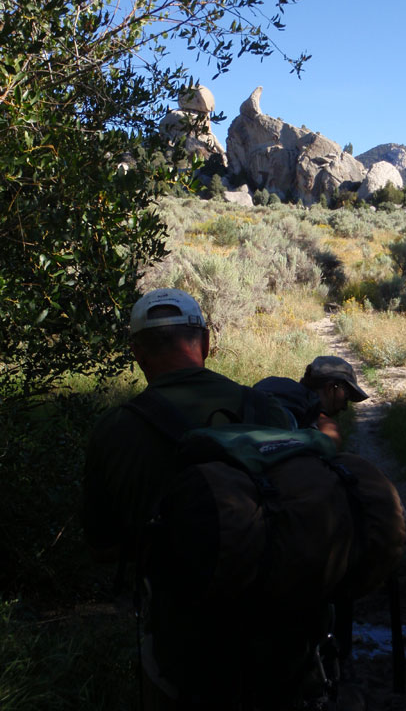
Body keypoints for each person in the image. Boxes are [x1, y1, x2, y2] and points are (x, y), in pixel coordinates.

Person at [83, 288, 327, 711]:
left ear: (137, 353)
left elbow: (101, 547)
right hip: (283, 643)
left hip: (181, 654)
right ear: (208, 342)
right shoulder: (265, 409)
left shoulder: (113, 432)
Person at [254, 355, 369, 450]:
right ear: (330, 388)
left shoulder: (271, 383)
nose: (345, 407)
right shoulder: (323, 423)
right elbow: (327, 448)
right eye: (346, 397)